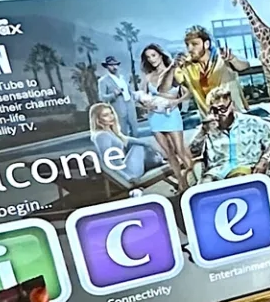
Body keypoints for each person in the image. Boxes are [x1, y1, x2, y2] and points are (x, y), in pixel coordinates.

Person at [132, 40, 192, 178]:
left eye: (153, 55)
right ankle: (181, 181)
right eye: (148, 57)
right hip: (155, 118)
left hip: (171, 115)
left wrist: (176, 101)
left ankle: (194, 178)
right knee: (169, 153)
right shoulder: (148, 77)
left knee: (180, 150)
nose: (151, 59)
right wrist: (145, 105)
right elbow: (139, 98)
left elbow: (189, 92)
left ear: (160, 55)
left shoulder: (174, 71)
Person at [194, 85, 270, 180]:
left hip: (247, 168)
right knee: (204, 184)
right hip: (216, 173)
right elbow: (193, 153)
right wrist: (203, 132)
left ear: (232, 106)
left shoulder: (253, 123)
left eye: (222, 109)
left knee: (239, 178)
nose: (218, 114)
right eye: (214, 110)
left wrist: (264, 159)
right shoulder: (207, 128)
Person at [172, 24, 240, 119]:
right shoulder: (187, 65)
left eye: (194, 44)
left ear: (206, 44)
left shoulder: (222, 58)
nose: (190, 49)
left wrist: (233, 59)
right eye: (187, 45)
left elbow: (243, 66)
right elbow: (173, 84)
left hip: (234, 116)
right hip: (210, 120)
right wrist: (173, 67)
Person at [88, 100, 161, 190]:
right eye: (105, 115)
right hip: (126, 173)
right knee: (138, 147)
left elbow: (127, 139)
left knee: (140, 144)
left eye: (111, 113)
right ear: (98, 119)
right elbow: (107, 162)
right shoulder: (102, 136)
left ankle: (159, 159)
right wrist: (128, 178)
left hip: (125, 168)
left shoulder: (110, 132)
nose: (111, 117)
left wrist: (149, 145)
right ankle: (159, 160)